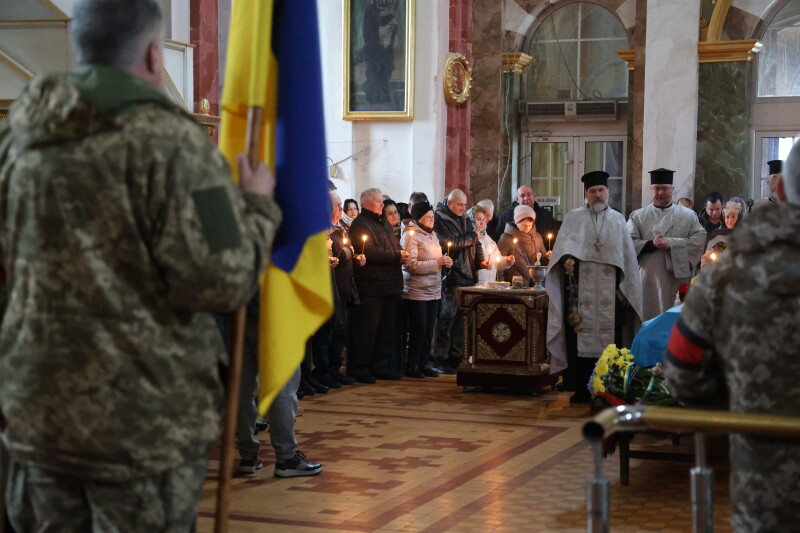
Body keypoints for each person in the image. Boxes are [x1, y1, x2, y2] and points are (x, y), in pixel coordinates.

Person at [0, 0, 281, 529]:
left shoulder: (18, 138)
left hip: (37, 416)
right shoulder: (174, 144)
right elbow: (222, 283)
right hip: (138, 424)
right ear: (155, 54)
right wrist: (255, 206)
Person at [663, 141, 800, 533]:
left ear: (782, 192)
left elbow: (681, 370)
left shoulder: (731, 273)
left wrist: (739, 401)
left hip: (767, 492)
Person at [546, 171, 643, 403]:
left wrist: (625, 288)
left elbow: (627, 259)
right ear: (585, 194)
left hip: (611, 291)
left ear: (608, 192)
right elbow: (562, 252)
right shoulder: (573, 218)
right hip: (580, 292)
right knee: (577, 336)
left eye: (601, 190)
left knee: (613, 337)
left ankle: (610, 389)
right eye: (592, 191)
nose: (597, 195)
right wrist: (567, 260)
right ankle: (580, 387)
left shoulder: (618, 219)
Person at [222, 297, 323, 478]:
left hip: (236, 312)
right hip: (274, 312)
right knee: (282, 385)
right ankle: (286, 457)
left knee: (242, 389)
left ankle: (248, 455)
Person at [347, 188, 409, 382]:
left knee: (385, 330)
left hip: (390, 284)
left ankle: (380, 366)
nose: (382, 205)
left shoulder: (384, 224)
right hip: (372, 285)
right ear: (366, 204)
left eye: (383, 202)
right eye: (378, 202)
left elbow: (394, 245)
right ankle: (360, 368)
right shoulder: (360, 224)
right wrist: (396, 256)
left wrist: (401, 253)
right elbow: (370, 252)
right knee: (367, 329)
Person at [627, 168, 706, 321]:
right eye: (657, 188)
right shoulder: (638, 216)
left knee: (675, 321)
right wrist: (651, 244)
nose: (661, 192)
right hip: (648, 279)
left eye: (665, 188)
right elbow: (627, 243)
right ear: (651, 189)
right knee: (650, 319)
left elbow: (699, 241)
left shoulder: (688, 215)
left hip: (676, 279)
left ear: (672, 189)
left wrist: (671, 243)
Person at [312, 193, 364, 388]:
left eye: (342, 206)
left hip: (343, 288)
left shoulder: (340, 228)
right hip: (327, 290)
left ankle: (334, 370)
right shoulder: (322, 231)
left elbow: (347, 250)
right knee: (326, 334)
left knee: (339, 333)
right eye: (338, 206)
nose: (341, 210)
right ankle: (322, 372)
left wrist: (357, 256)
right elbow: (340, 253)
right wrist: (346, 254)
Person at [432, 189, 484, 374]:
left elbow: (475, 242)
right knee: (447, 319)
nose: (464, 208)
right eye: (460, 205)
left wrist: (480, 261)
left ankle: (456, 357)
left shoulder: (463, 217)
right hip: (451, 277)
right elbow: (450, 242)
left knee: (462, 322)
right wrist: (472, 237)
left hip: (468, 276)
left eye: (465, 204)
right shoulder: (439, 220)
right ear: (449, 202)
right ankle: (440, 358)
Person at [400, 201, 452, 378]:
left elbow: (436, 259)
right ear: (418, 218)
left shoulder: (432, 235)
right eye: (427, 217)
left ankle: (423, 363)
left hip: (434, 289)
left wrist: (445, 262)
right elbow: (410, 265)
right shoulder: (411, 235)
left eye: (432, 217)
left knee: (430, 328)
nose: (431, 220)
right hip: (417, 290)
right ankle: (412, 364)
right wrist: (436, 263)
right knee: (419, 328)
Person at [497, 205, 548, 285]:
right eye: (524, 225)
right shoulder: (506, 238)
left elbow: (543, 259)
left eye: (530, 225)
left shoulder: (537, 237)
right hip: (515, 285)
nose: (527, 228)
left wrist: (547, 256)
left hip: (536, 284)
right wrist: (501, 284)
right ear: (516, 222)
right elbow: (499, 264)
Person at [490, 185, 560, 243]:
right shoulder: (506, 216)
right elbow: (499, 239)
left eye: (529, 195)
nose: (526, 198)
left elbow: (553, 239)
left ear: (534, 196)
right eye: (522, 196)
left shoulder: (546, 216)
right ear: (517, 198)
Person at [471, 204, 514, 284]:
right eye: (479, 219)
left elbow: (497, 261)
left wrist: (506, 261)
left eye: (484, 219)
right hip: (476, 283)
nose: (482, 222)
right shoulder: (469, 239)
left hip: (490, 282)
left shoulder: (488, 238)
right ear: (471, 220)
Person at [700, 201, 742, 268]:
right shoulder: (718, 233)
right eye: (727, 217)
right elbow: (706, 258)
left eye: (733, 217)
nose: (730, 220)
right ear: (723, 218)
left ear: (738, 218)